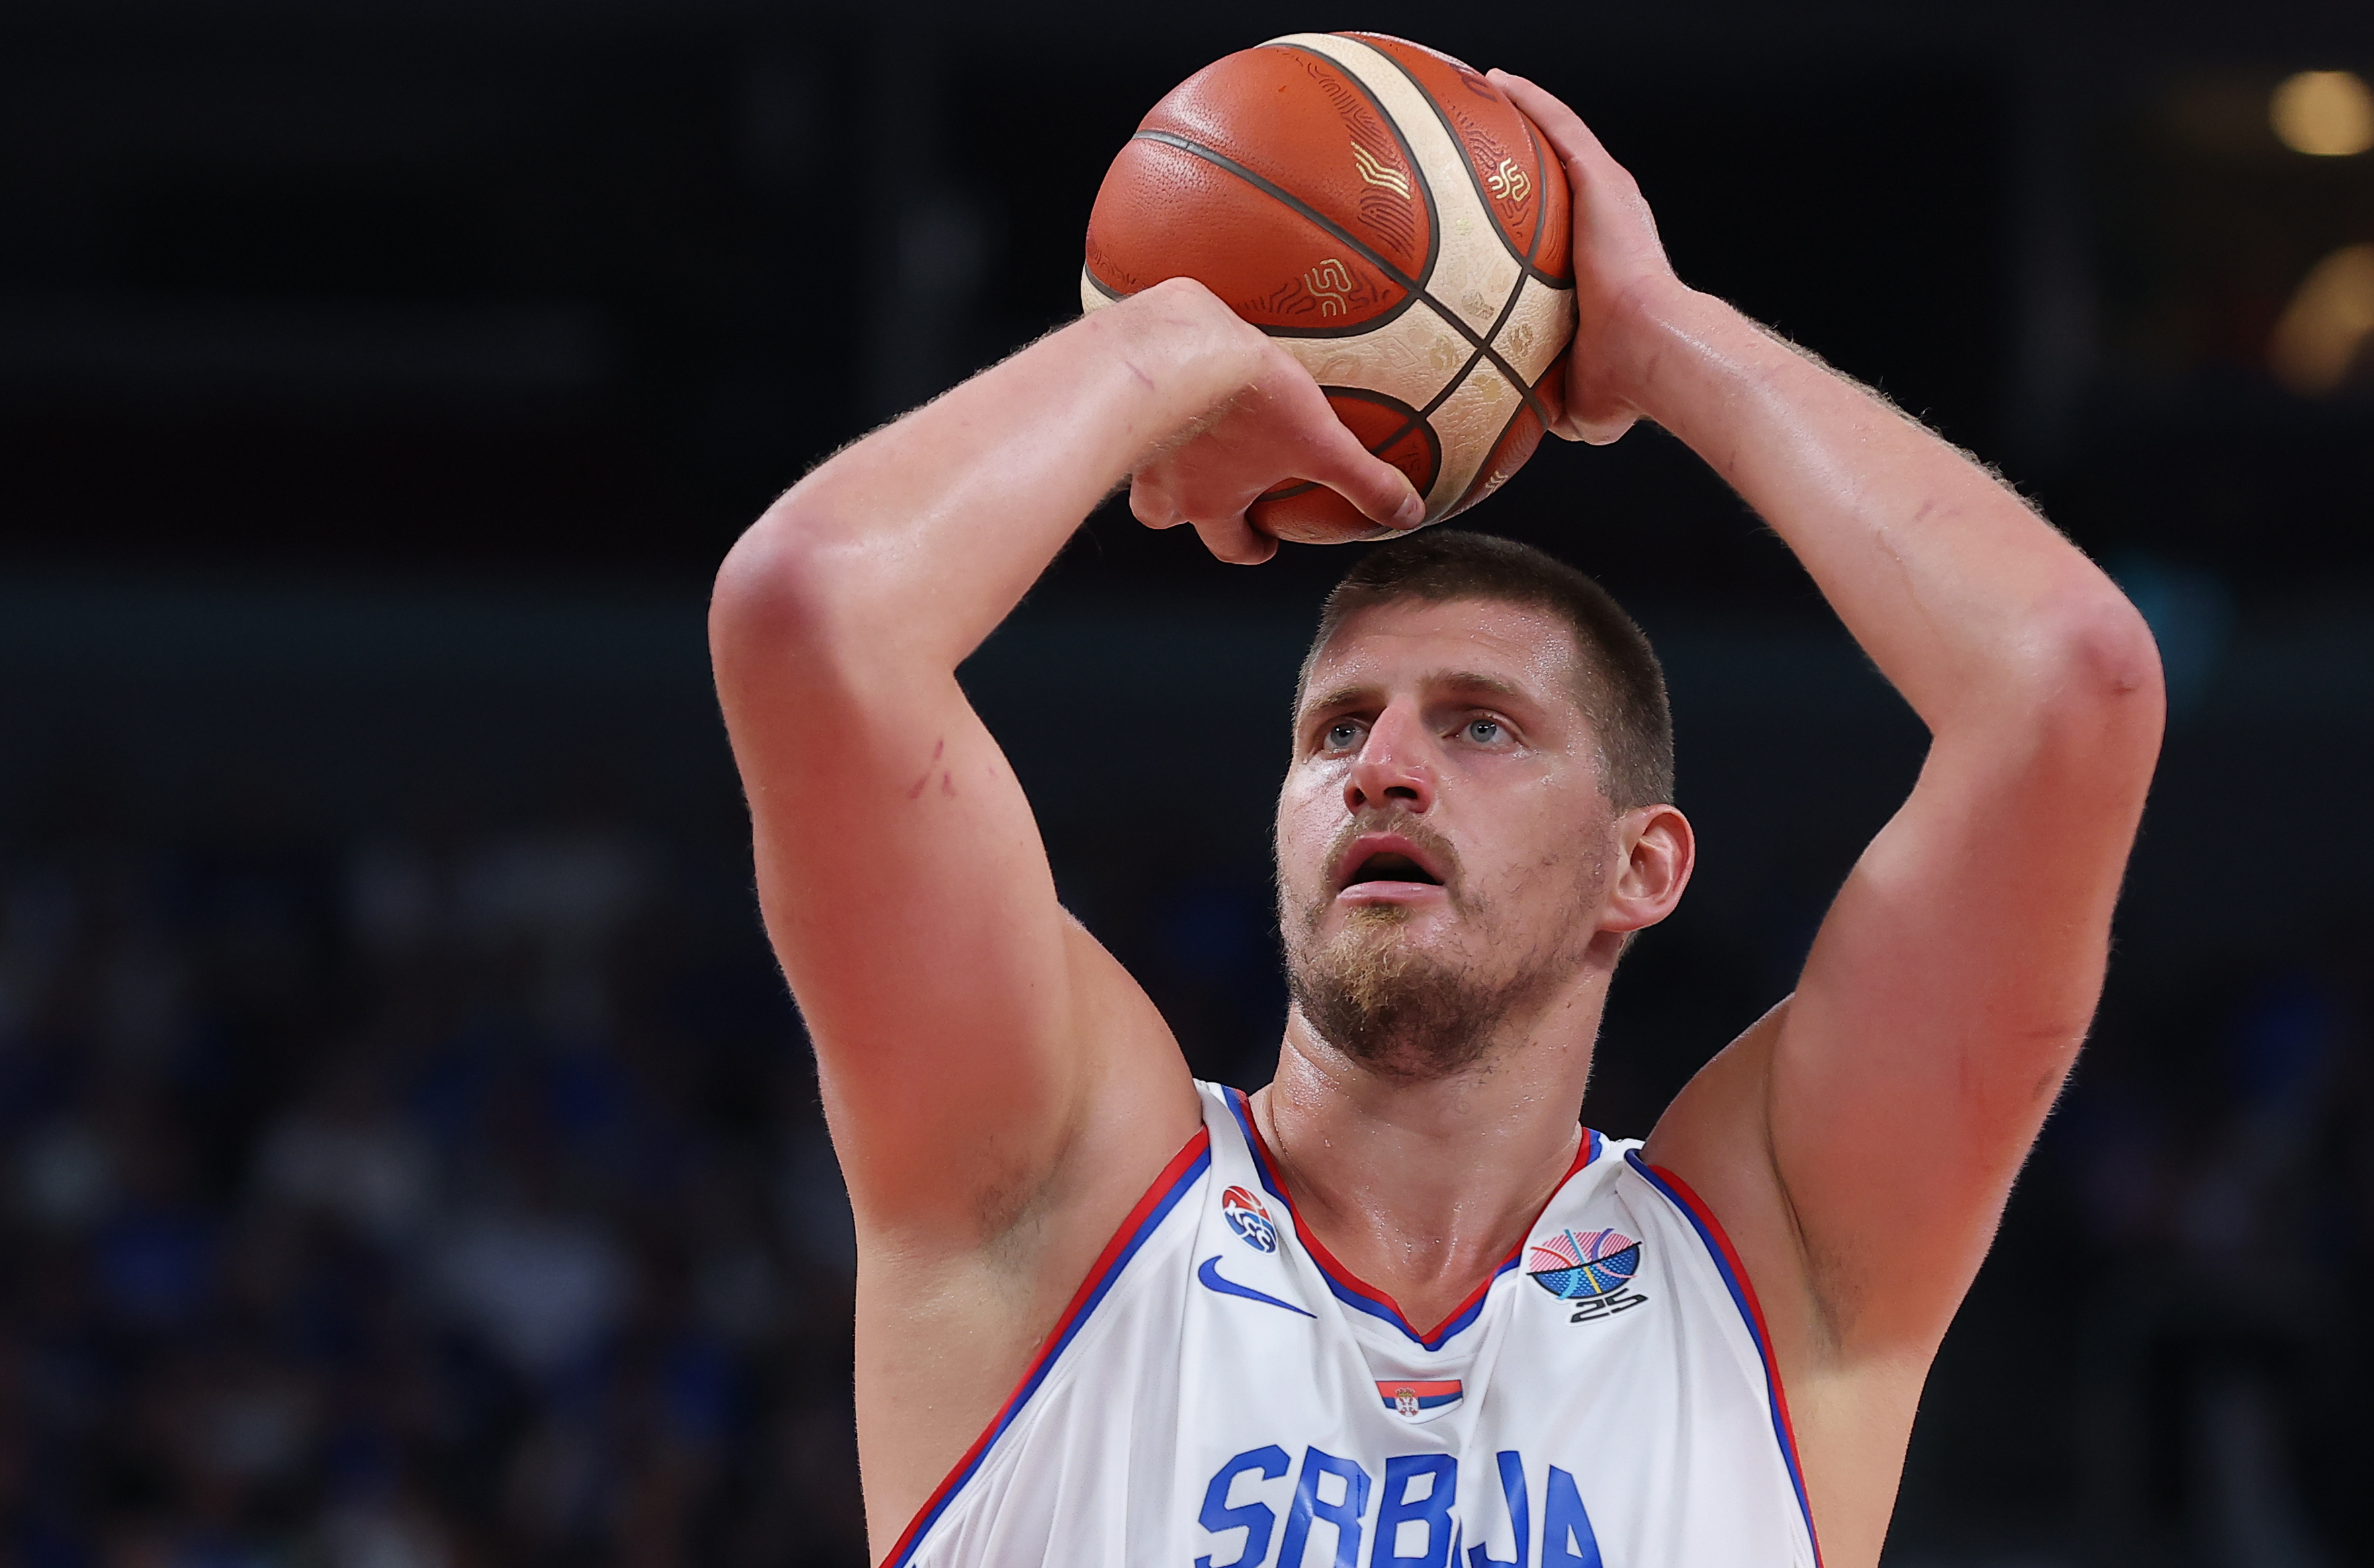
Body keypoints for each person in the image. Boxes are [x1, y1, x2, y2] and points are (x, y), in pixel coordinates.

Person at [708, 71, 2164, 1568]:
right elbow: (813, 615)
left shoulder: (1776, 1266)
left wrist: (1666, 341)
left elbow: (2070, 685)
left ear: (1641, 865)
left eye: (1481, 726)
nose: (1383, 767)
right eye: (1337, 729)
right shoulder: (1066, 1192)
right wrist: (1172, 341)